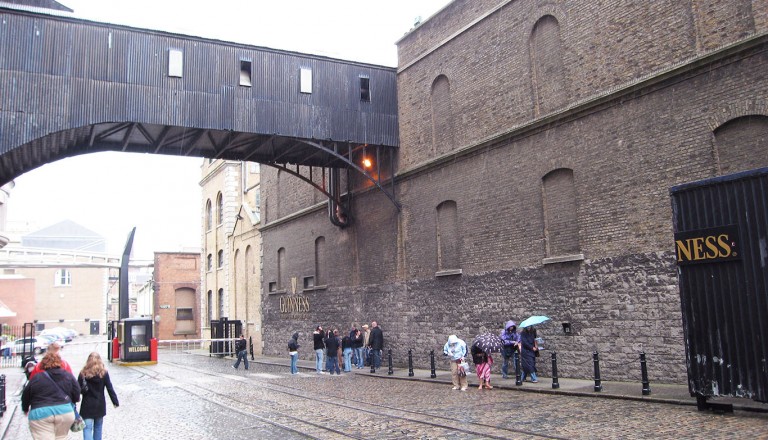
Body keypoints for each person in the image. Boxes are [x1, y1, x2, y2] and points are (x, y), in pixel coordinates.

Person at [21, 352, 81, 440]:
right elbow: (77, 394)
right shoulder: (68, 375)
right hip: (65, 412)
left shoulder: (37, 378)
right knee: (61, 437)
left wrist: (25, 408)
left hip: (41, 413)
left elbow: (26, 394)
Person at [78, 352, 119, 440]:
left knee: (87, 429)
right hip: (99, 405)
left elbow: (77, 389)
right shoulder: (104, 373)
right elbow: (109, 388)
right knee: (98, 428)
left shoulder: (83, 373)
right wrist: (115, 402)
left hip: (87, 406)